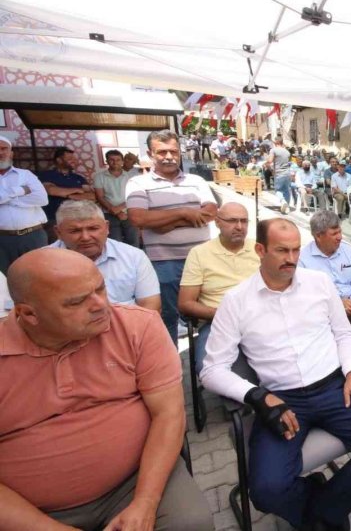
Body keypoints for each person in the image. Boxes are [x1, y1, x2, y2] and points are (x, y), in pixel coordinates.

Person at [200, 219, 351, 530]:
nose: (291, 258)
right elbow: (212, 370)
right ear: (260, 250)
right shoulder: (236, 301)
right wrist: (257, 396)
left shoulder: (319, 283)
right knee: (266, 492)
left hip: (335, 387)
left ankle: (320, 514)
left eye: (295, 250)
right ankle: (326, 508)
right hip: (282, 399)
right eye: (282, 250)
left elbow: (343, 333)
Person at [0, 249, 213, 531]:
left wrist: (145, 503)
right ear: (28, 313)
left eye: (100, 288)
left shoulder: (136, 326)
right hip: (28, 509)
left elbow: (169, 414)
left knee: (190, 523)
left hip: (134, 482)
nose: (101, 305)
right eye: (76, 301)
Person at [127, 130, 218, 343]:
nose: (169, 157)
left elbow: (211, 213)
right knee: (167, 317)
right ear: (150, 154)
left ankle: (205, 356)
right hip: (164, 262)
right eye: (162, 152)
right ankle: (171, 360)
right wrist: (184, 212)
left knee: (206, 312)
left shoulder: (196, 181)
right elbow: (138, 218)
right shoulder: (138, 184)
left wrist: (166, 223)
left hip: (202, 260)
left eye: (173, 151)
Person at [300, 211, 351, 390]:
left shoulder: (345, 249)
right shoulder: (303, 259)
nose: (340, 237)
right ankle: (335, 377)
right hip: (323, 308)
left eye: (339, 231)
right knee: (329, 339)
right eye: (334, 233)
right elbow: (307, 293)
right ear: (318, 236)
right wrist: (338, 302)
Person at [178, 202, 260, 369]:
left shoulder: (259, 249)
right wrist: (224, 314)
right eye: (232, 221)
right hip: (217, 323)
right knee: (212, 369)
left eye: (244, 221)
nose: (239, 227)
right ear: (217, 222)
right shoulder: (199, 253)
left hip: (260, 320)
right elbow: (185, 303)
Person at [47, 199, 160, 310]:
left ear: (106, 227)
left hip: (128, 322)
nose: (85, 237)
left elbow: (150, 305)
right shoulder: (43, 263)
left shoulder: (133, 256)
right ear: (58, 232)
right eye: (75, 231)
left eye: (93, 229)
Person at [0, 136, 48, 274]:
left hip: (33, 236)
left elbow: (42, 199)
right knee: (4, 279)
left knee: (39, 275)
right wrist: (21, 190)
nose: (0, 153)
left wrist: (4, 198)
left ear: (11, 153)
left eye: (4, 149)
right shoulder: (24, 182)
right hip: (1, 239)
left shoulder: (26, 175)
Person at [39, 147, 96, 242]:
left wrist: (66, 194)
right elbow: (51, 191)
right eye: (70, 158)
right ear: (59, 160)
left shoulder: (78, 178)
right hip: (55, 220)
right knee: (57, 247)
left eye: (74, 159)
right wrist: (78, 190)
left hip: (79, 219)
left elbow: (92, 197)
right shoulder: (47, 175)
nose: (74, 161)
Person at [93, 149, 140, 246]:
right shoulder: (99, 177)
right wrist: (116, 212)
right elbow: (100, 197)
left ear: (122, 161)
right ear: (107, 161)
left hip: (129, 213)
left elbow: (134, 195)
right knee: (115, 243)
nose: (115, 162)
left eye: (118, 160)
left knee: (133, 241)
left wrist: (119, 209)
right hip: (109, 214)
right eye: (111, 160)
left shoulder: (130, 176)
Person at [267, 135, 293, 214]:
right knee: (287, 190)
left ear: (276, 142)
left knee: (278, 190)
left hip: (279, 173)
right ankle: (287, 208)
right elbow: (288, 162)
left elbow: (270, 161)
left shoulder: (273, 150)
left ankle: (283, 202)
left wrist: (265, 162)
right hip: (287, 173)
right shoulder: (287, 152)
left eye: (274, 141)